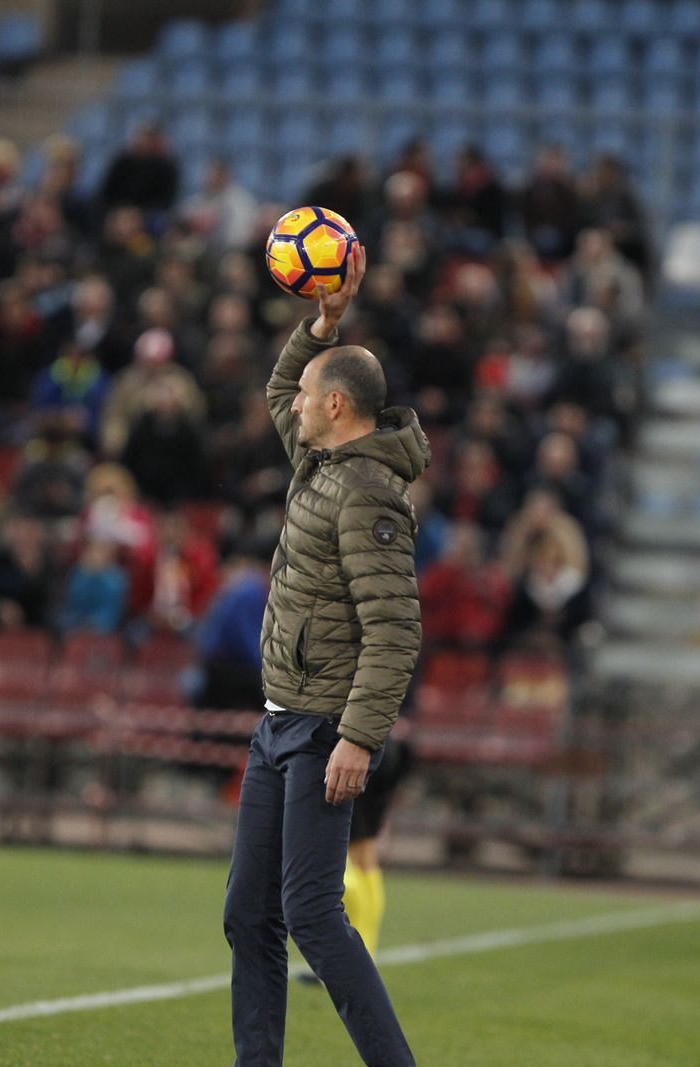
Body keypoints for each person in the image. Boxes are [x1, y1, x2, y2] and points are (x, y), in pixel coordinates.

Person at [223, 245, 423, 1067]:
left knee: (311, 914)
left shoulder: (370, 493)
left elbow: (395, 628)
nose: (294, 403)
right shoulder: (322, 460)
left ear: (336, 405)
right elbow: (280, 388)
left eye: (311, 394)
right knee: (249, 913)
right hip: (279, 722)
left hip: (321, 730)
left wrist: (358, 738)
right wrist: (323, 324)